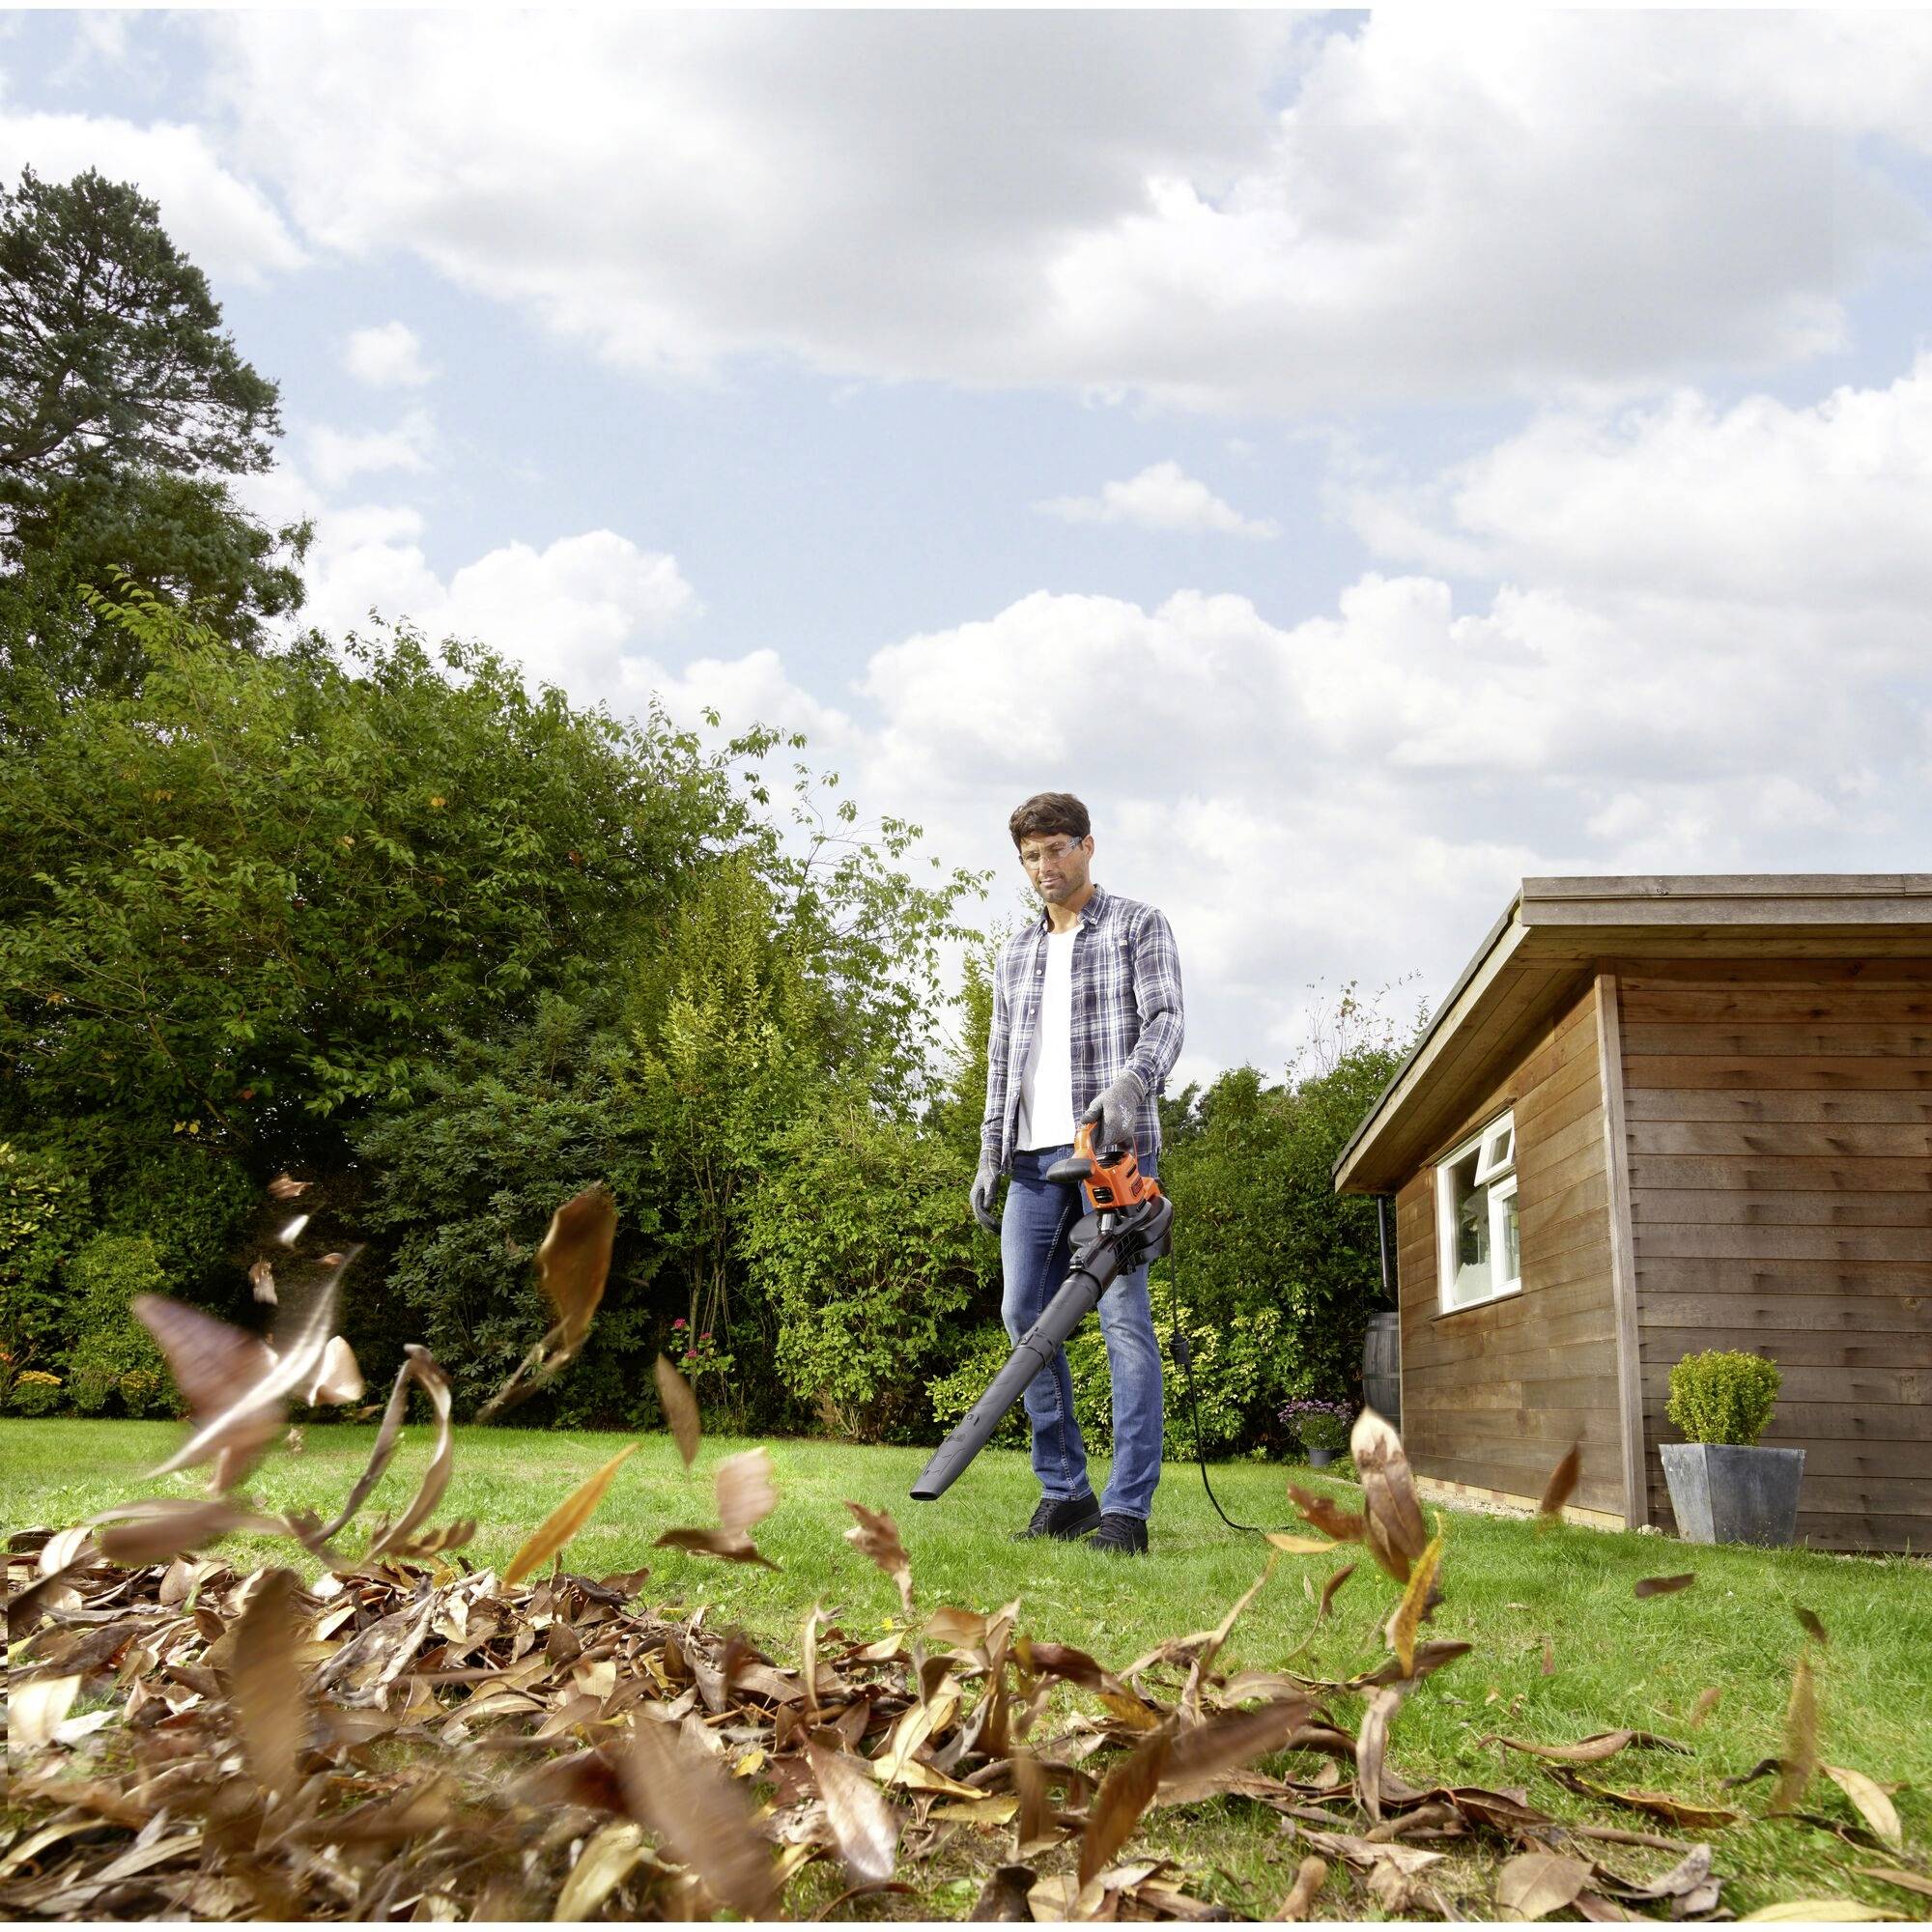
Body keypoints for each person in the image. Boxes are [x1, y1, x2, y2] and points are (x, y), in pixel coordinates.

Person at [970, 791, 1184, 1555]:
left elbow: (1165, 1018)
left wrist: (1134, 1083)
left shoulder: (1137, 924)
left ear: (1088, 846)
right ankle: (1066, 1494)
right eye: (1030, 856)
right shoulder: (1015, 953)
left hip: (1108, 1156)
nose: (1043, 867)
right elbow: (1002, 1062)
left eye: (1055, 849)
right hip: (1032, 1162)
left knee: (1124, 1324)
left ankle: (1127, 1511)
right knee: (1022, 1315)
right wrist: (991, 1152)